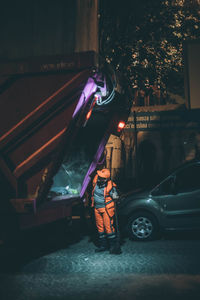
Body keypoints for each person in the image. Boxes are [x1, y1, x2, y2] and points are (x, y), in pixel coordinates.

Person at [91, 168, 122, 254]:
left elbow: (116, 197)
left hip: (106, 209)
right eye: (100, 177)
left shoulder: (110, 186)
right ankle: (103, 246)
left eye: (103, 178)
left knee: (108, 227)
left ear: (107, 179)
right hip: (96, 208)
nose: (100, 179)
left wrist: (116, 197)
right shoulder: (96, 179)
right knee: (100, 228)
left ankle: (113, 246)